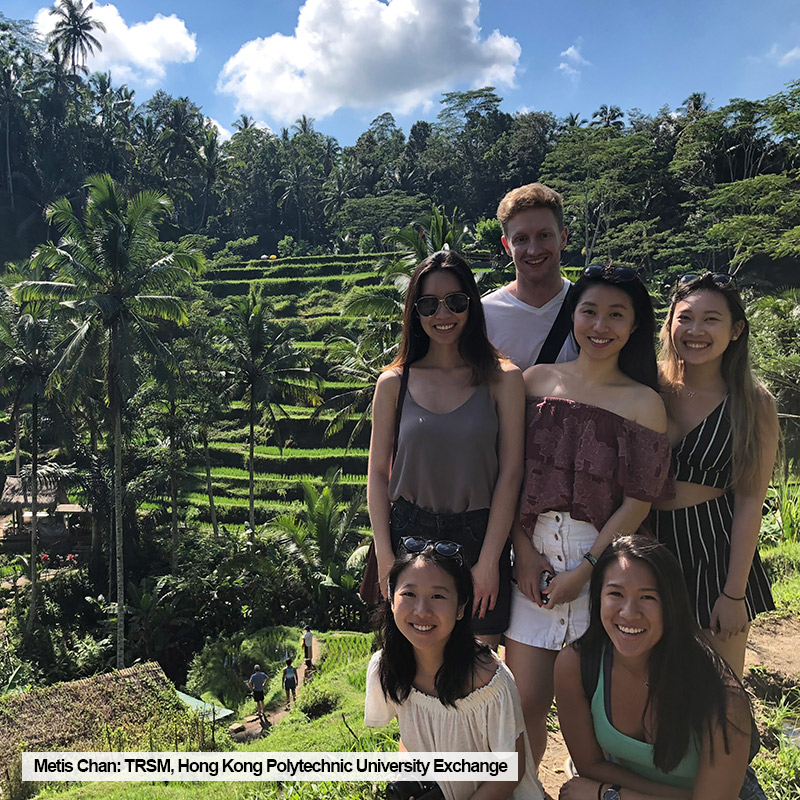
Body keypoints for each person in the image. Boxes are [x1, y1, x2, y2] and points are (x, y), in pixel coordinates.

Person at [505, 265, 674, 767]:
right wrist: (524, 552)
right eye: (589, 311)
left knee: (600, 710)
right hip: (531, 554)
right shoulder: (535, 382)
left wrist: (588, 570)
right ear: (572, 316)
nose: (600, 325)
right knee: (524, 705)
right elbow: (511, 478)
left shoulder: (645, 404)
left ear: (635, 325)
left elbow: (638, 501)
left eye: (616, 315)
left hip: (605, 564)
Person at [367, 250, 524, 645]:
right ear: (414, 312)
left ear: (471, 304)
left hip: (477, 536)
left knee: (476, 675)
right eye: (428, 304)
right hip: (408, 535)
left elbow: (511, 474)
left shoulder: (503, 380)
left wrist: (490, 559)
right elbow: (377, 475)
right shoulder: (394, 383)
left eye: (455, 301)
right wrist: (387, 559)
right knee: (410, 675)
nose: (443, 314)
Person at [554, 536, 766, 800]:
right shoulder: (575, 665)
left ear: (672, 605)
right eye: (616, 594)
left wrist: (611, 796)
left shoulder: (723, 698)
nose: (629, 613)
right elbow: (591, 766)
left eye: (647, 597)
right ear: (598, 597)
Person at [651, 273, 778, 679]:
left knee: (718, 691)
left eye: (711, 320)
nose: (695, 331)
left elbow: (750, 501)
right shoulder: (645, 386)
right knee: (647, 685)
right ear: (669, 324)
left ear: (736, 329)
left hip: (714, 550)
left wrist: (733, 592)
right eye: (685, 318)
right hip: (646, 546)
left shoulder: (753, 404)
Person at [365, 538, 544, 800]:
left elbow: (510, 771)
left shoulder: (489, 682)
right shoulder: (387, 667)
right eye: (409, 594)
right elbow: (412, 736)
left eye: (438, 596)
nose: (422, 610)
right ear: (391, 600)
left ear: (461, 608)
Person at [482, 183, 579, 370]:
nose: (533, 250)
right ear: (507, 246)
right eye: (521, 239)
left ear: (563, 237)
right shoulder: (484, 316)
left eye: (544, 235)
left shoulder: (589, 311)